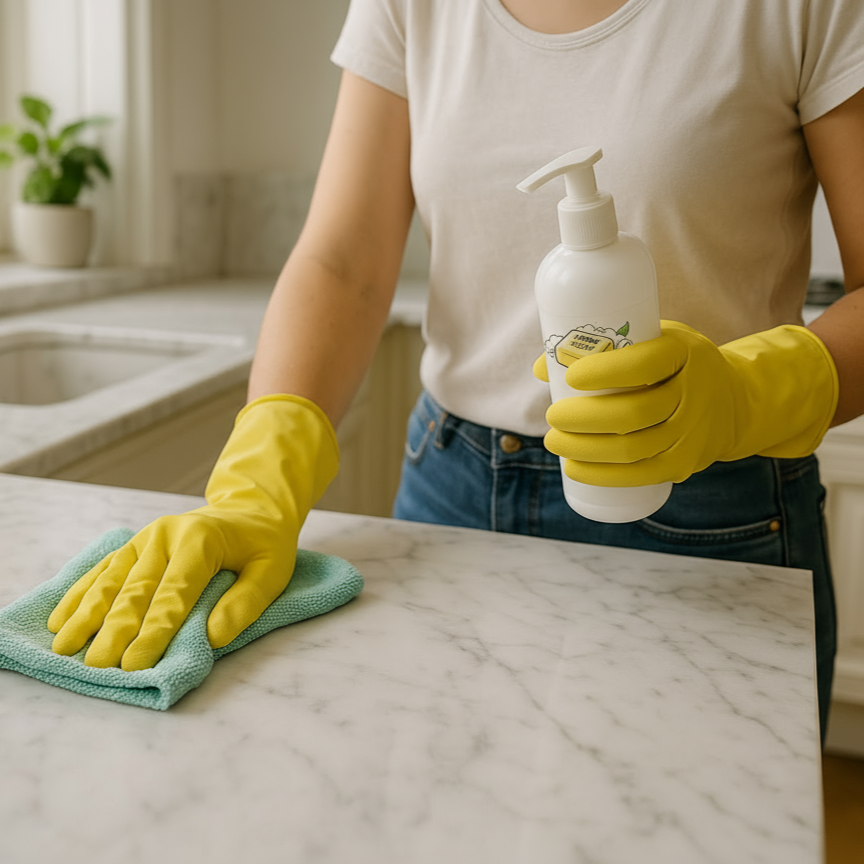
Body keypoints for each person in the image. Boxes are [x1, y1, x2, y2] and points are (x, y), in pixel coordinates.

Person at [47, 0, 864, 744]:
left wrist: (741, 396)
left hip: (714, 514)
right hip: (452, 490)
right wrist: (258, 477)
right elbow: (344, 262)